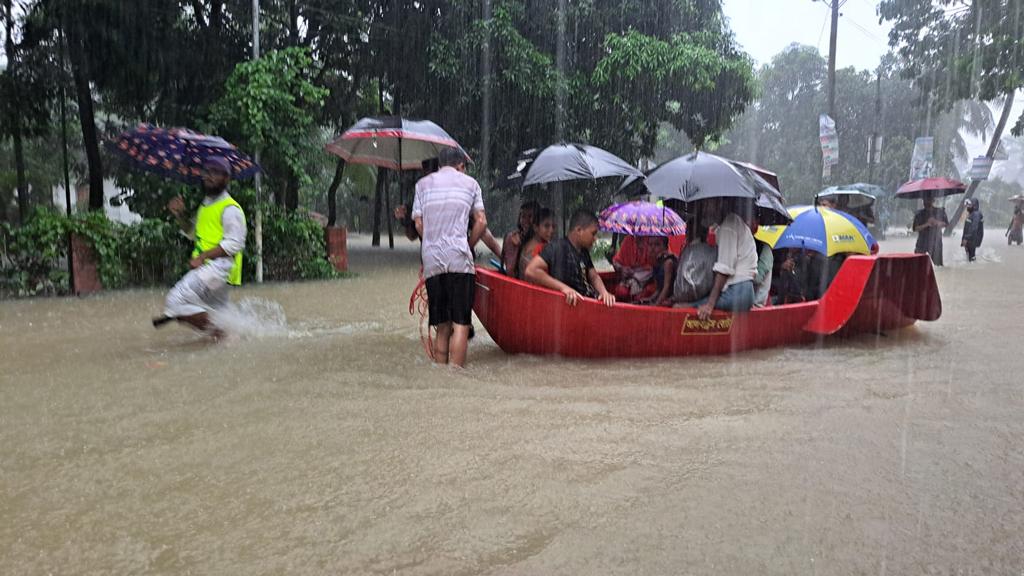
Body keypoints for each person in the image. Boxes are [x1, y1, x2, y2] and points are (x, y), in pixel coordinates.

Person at [153, 156, 246, 337]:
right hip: (210, 269)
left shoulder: (231, 209)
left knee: (176, 301)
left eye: (215, 172)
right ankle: (237, 336)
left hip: (219, 267)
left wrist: (202, 257)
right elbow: (192, 232)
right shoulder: (206, 205)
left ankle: (225, 335)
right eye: (206, 171)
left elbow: (235, 244)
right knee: (215, 313)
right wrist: (180, 214)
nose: (208, 176)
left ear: (226, 178)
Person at [411, 147, 487, 368]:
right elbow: (481, 221)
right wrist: (468, 244)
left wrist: (432, 242)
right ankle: (455, 378)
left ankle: (441, 373)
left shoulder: (422, 185)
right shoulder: (471, 184)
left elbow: (417, 223)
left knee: (442, 326)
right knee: (461, 323)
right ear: (460, 166)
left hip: (432, 260)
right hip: (459, 259)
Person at [525, 209, 615, 307]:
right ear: (579, 230)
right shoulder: (557, 247)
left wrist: (604, 292)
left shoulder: (583, 251)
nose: (595, 238)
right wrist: (563, 288)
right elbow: (531, 270)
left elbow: (594, 276)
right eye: (593, 234)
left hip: (587, 303)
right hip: (568, 308)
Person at [688, 198, 758, 320]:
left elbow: (724, 270)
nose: (705, 210)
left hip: (738, 292)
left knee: (686, 307)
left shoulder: (728, 226)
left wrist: (709, 305)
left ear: (719, 204)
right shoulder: (729, 223)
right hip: (741, 291)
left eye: (709, 204)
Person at [500, 201, 540, 274]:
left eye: (530, 216)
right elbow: (510, 269)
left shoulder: (542, 243)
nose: (526, 220)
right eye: (523, 216)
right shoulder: (511, 239)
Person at [515, 207, 555, 279]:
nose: (551, 230)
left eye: (553, 226)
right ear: (536, 227)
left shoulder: (528, 243)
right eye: (546, 226)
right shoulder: (540, 249)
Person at [637, 235, 677, 307]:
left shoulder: (668, 262)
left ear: (665, 247)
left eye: (657, 245)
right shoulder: (656, 262)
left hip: (673, 298)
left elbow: (666, 288)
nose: (652, 248)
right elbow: (659, 289)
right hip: (662, 297)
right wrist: (650, 299)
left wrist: (656, 304)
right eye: (650, 244)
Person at [912, 196, 949, 266]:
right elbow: (915, 228)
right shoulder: (919, 214)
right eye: (924, 200)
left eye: (928, 200)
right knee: (917, 264)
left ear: (933, 200)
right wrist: (927, 224)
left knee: (939, 266)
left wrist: (936, 222)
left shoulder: (940, 211)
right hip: (922, 243)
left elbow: (946, 224)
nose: (926, 202)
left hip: (936, 243)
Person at [961, 197, 984, 262]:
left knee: (971, 257)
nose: (967, 206)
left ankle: (972, 269)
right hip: (970, 239)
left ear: (974, 205)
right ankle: (969, 268)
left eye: (969, 205)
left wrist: (966, 238)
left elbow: (974, 228)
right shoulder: (972, 214)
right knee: (969, 256)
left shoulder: (976, 214)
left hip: (973, 239)